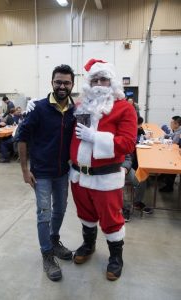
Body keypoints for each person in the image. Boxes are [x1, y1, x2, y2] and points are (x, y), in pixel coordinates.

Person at [69, 59, 137, 281]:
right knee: (85, 215)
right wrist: (38, 106)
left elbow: (127, 143)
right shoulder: (80, 107)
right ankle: (89, 245)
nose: (99, 83)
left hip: (106, 178)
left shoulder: (124, 108)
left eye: (103, 79)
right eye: (95, 79)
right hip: (79, 176)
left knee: (111, 220)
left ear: (112, 82)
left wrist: (95, 137)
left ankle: (116, 257)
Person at [18, 64, 75, 282]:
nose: (62, 86)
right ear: (52, 83)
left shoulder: (74, 111)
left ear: (72, 84)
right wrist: (25, 170)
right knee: (44, 213)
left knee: (60, 209)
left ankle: (54, 240)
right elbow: (22, 138)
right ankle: (47, 255)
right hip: (41, 173)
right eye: (58, 82)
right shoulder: (39, 108)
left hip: (62, 172)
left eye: (66, 82)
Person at [159, 116, 181, 193]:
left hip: (178, 154)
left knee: (170, 162)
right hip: (176, 151)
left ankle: (169, 186)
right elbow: (171, 135)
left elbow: (174, 142)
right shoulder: (176, 130)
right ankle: (164, 175)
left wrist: (166, 138)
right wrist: (165, 136)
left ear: (177, 124)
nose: (170, 124)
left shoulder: (179, 132)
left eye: (171, 123)